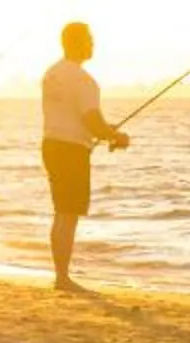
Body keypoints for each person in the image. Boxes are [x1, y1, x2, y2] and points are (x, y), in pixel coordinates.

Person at [41, 20, 129, 291]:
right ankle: (63, 279)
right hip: (71, 150)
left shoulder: (52, 74)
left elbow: (77, 116)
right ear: (78, 42)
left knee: (61, 212)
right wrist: (115, 136)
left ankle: (60, 275)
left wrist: (105, 131)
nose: (93, 44)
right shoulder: (83, 79)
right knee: (68, 214)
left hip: (51, 144)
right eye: (89, 39)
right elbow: (90, 119)